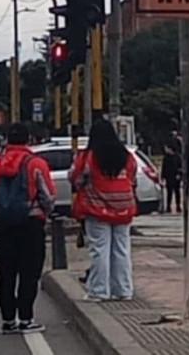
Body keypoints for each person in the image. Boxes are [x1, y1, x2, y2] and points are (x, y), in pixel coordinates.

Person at [0, 122, 56, 334]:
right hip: (31, 223)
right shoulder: (36, 163)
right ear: (29, 140)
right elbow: (48, 196)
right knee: (29, 272)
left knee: (7, 272)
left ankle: (8, 320)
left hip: (5, 224)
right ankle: (26, 318)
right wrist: (45, 211)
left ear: (7, 140)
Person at [71, 119, 137, 303]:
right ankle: (123, 290)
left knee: (100, 250)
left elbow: (75, 178)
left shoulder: (88, 157)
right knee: (122, 250)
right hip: (124, 207)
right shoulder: (126, 155)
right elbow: (132, 177)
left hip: (97, 208)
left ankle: (99, 291)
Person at [161, 139, 184, 214]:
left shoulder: (177, 157)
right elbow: (164, 168)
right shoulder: (166, 158)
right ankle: (168, 206)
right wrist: (162, 177)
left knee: (177, 192)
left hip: (176, 177)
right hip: (169, 177)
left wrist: (179, 174)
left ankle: (178, 206)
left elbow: (180, 167)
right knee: (169, 192)